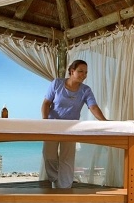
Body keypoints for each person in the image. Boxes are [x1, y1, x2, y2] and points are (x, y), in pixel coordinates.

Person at [41, 60, 107, 188]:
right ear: (72, 71)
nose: (84, 75)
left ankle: (65, 187)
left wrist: (104, 121)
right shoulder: (57, 84)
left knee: (67, 158)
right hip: (52, 125)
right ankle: (55, 179)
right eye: (80, 71)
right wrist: (45, 121)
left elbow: (93, 107)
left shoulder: (85, 90)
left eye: (86, 72)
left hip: (71, 127)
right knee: (48, 155)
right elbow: (46, 103)